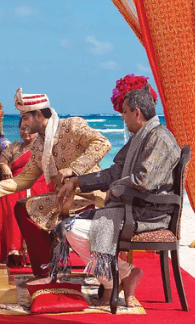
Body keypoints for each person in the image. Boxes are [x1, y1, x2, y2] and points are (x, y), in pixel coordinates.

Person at [49, 88, 181, 307]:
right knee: (68, 227)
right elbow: (114, 172)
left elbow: (144, 181)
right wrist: (77, 182)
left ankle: (114, 280)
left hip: (147, 213)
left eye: (125, 112)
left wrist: (116, 188)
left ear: (137, 113)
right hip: (132, 208)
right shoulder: (142, 137)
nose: (123, 117)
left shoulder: (160, 139)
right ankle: (124, 274)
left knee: (72, 229)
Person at [0, 88, 111, 277]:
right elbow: (23, 180)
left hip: (90, 192)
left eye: (25, 117)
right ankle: (46, 271)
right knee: (23, 207)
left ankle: (57, 267)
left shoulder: (71, 125)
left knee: (28, 207)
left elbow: (103, 143)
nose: (23, 123)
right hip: (63, 196)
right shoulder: (39, 145)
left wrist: (73, 170)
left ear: (38, 114)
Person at [0, 119, 52, 266]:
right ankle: (11, 250)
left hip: (37, 182)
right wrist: (3, 166)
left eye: (29, 129)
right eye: (22, 129)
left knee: (17, 194)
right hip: (15, 183)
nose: (26, 132)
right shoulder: (14, 147)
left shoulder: (44, 147)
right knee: (5, 197)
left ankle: (26, 252)